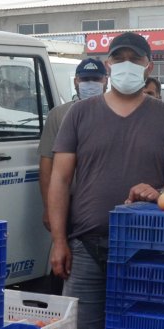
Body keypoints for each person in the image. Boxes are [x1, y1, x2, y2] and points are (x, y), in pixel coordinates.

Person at [48, 32, 164, 329]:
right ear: (108, 64)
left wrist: (161, 192)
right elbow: (59, 179)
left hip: (149, 248)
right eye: (119, 58)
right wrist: (59, 240)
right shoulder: (80, 113)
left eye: (135, 58)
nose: (127, 64)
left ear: (148, 66)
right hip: (86, 246)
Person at [38, 57, 107, 230]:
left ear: (105, 81)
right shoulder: (59, 115)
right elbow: (47, 163)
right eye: (85, 79)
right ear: (76, 81)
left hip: (106, 203)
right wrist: (49, 207)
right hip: (69, 202)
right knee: (64, 251)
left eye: (96, 79)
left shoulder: (115, 113)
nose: (90, 84)